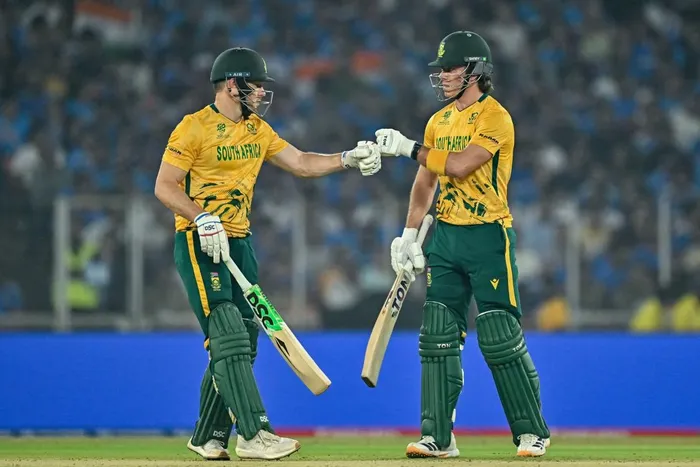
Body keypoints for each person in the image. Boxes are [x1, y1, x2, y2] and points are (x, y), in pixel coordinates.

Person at [154, 47, 381, 461]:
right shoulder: (193, 127)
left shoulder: (257, 130)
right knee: (227, 333)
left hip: (240, 242)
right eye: (254, 85)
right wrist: (201, 217)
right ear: (231, 85)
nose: (260, 92)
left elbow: (302, 162)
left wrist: (347, 159)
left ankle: (208, 436)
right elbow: (165, 186)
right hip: (199, 240)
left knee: (244, 342)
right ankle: (254, 434)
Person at [374, 31, 551, 458]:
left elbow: (459, 165)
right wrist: (409, 234)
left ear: (475, 71)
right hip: (446, 237)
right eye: (441, 70)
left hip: (488, 236)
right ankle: (438, 437)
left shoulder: (496, 117)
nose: (443, 76)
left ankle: (532, 433)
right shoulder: (438, 121)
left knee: (499, 336)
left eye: (451, 68)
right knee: (437, 335)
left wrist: (408, 148)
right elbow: (426, 183)